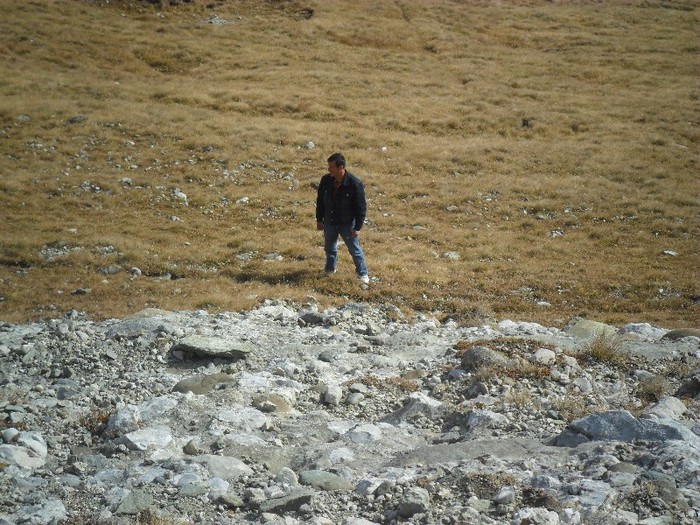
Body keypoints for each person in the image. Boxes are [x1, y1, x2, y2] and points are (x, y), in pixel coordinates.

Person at [316, 152, 370, 284]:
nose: (328, 169)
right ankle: (330, 269)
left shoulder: (354, 183)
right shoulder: (326, 180)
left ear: (341, 167)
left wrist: (357, 227)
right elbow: (320, 201)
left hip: (347, 224)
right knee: (329, 248)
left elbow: (361, 207)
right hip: (330, 222)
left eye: (331, 167)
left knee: (354, 250)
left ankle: (362, 274)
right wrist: (319, 219)